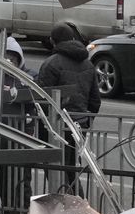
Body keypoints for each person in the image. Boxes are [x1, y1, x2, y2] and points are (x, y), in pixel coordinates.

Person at [34, 22, 100, 185]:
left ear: (52, 40)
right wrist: (86, 122)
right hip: (78, 125)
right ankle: (78, 204)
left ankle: (69, 207)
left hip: (55, 128)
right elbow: (95, 101)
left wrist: (43, 125)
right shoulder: (88, 64)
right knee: (71, 169)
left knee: (56, 172)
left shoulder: (51, 63)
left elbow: (43, 98)